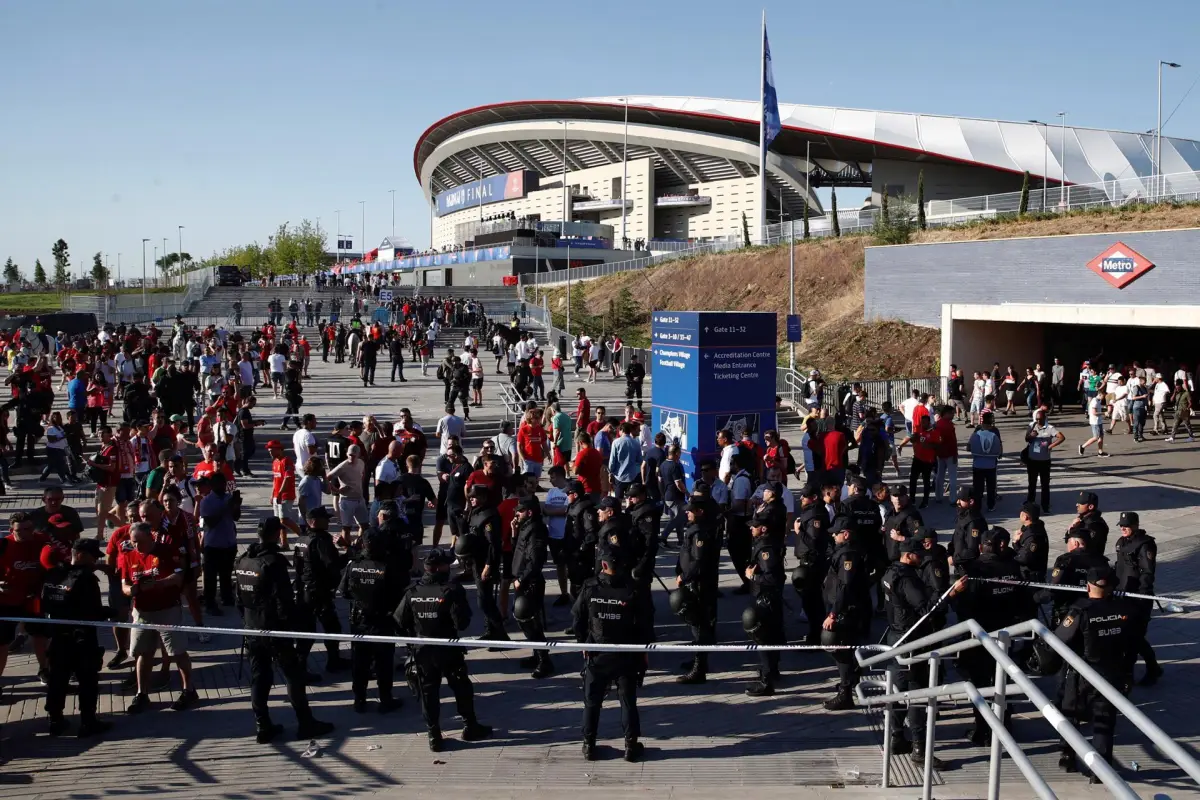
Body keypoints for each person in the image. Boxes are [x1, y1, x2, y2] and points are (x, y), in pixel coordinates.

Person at [235, 517, 334, 743]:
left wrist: (249, 621)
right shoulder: (273, 562)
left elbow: (238, 599)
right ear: (276, 534)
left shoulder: (243, 560)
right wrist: (292, 625)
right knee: (293, 675)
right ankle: (305, 723)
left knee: (260, 678)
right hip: (274, 630)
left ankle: (263, 725)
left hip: (252, 628)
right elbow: (284, 601)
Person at [394, 547, 493, 752]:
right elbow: (462, 623)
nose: (450, 567)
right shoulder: (452, 590)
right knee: (461, 687)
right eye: (447, 564)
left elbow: (399, 621)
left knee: (428, 692)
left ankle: (434, 735)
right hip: (448, 648)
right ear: (439, 568)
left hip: (422, 650)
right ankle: (470, 726)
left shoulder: (412, 592)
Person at [1040, 566, 1132, 781]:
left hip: (1080, 674)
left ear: (1088, 585)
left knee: (1070, 713)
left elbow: (1059, 638)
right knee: (1104, 721)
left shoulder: (1080, 610)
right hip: (1112, 673)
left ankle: (1068, 755)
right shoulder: (1124, 608)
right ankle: (1100, 771)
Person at [881, 538, 964, 766]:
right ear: (908, 555)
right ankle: (919, 748)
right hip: (912, 641)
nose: (921, 558)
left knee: (897, 690)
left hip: (896, 636)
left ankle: (896, 737)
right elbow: (927, 610)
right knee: (917, 693)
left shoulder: (890, 573)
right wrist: (951, 593)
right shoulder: (907, 579)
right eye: (918, 554)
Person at [571, 531, 651, 762]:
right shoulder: (633, 588)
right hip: (626, 655)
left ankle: (589, 744)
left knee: (592, 702)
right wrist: (643, 651)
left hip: (597, 654)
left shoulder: (590, 587)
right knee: (627, 701)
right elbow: (645, 623)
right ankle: (630, 745)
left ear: (603, 564)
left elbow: (576, 618)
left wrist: (583, 643)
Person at [119, 521, 199, 714]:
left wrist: (157, 584)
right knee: (143, 653)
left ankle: (188, 690)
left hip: (167, 609)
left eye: (140, 541)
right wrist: (132, 590)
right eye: (133, 541)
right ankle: (141, 693)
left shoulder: (167, 551)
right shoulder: (129, 555)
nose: (136, 545)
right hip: (142, 611)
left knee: (177, 651)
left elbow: (178, 578)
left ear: (150, 537)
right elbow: (124, 585)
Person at [40, 537, 111, 737]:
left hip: (57, 637)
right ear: (79, 554)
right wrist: (111, 612)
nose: (94, 562)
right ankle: (88, 722)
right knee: (87, 680)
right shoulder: (86, 578)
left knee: (57, 680)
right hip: (82, 639)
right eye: (91, 557)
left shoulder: (53, 574)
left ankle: (55, 720)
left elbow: (45, 605)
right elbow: (93, 611)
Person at [339, 530, 405, 713]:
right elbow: (399, 594)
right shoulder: (388, 566)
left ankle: (359, 699)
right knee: (384, 662)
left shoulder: (354, 564)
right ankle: (385, 699)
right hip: (382, 620)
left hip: (359, 620)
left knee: (360, 662)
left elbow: (343, 592)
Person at [292, 506, 349, 672]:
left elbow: (298, 565)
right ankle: (330, 662)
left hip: (303, 590)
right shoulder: (321, 540)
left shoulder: (302, 539)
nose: (329, 521)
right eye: (325, 518)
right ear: (315, 522)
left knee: (307, 629)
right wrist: (349, 554)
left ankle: (301, 666)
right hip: (319, 591)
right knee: (331, 627)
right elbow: (333, 564)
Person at [673, 500, 720, 685]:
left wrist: (684, 577)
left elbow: (698, 562)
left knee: (700, 626)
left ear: (699, 511)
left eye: (690, 511)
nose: (687, 513)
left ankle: (699, 669)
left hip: (700, 586)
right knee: (695, 625)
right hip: (693, 584)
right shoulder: (695, 528)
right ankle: (698, 661)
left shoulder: (700, 532)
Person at [1113, 511, 1161, 686]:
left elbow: (1147, 573)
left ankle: (1148, 670)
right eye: (1122, 526)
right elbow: (1119, 568)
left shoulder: (1145, 545)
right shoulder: (1121, 543)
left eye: (1127, 526)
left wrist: (1141, 596)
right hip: (1121, 596)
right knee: (1127, 636)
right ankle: (1131, 671)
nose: (1123, 529)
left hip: (1137, 598)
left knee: (1135, 637)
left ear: (1135, 526)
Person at [742, 510, 786, 696]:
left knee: (764, 638)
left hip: (766, 598)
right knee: (772, 636)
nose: (751, 528)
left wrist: (754, 576)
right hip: (770, 598)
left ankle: (767, 681)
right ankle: (772, 670)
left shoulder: (766, 548)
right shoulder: (767, 542)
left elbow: (773, 577)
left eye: (755, 526)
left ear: (764, 528)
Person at [510, 495, 554, 678]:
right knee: (525, 622)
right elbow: (519, 550)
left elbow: (535, 561)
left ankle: (545, 660)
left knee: (530, 622)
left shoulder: (536, 529)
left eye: (520, 511)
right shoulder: (525, 527)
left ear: (529, 512)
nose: (517, 514)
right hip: (522, 580)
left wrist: (522, 578)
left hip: (530, 583)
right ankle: (537, 654)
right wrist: (514, 531)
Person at [459, 485, 508, 641]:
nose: (472, 499)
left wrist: (489, 566)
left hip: (485, 563)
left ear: (484, 498)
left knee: (484, 601)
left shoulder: (489, 516)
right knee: (485, 598)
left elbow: (494, 544)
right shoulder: (475, 512)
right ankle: (490, 630)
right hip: (476, 560)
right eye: (471, 497)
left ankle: (500, 633)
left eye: (475, 497)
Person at [1024, 408, 1064, 513]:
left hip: (1044, 461)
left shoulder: (1050, 428)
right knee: (1031, 483)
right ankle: (1030, 503)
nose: (1038, 422)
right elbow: (1026, 439)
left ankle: (1045, 505)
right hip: (1032, 460)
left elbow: (1061, 437)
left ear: (1044, 418)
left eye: (1040, 419)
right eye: (1037, 419)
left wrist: (1051, 446)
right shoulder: (1032, 426)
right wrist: (1031, 435)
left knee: (1045, 484)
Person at [966, 411, 1002, 511]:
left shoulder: (977, 431)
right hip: (991, 464)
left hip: (977, 464)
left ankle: (977, 506)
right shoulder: (995, 431)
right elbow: (999, 448)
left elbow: (969, 447)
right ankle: (991, 505)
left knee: (977, 487)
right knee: (991, 486)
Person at [1078, 391, 1110, 458]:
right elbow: (1094, 413)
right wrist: (1104, 413)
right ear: (1100, 394)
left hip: (1099, 421)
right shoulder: (1094, 401)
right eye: (1103, 396)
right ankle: (1082, 446)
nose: (1104, 398)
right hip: (1095, 422)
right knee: (1096, 437)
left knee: (1101, 436)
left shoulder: (1098, 400)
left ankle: (1100, 452)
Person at [1164, 378, 1194, 442]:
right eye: (1176, 387)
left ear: (1181, 386)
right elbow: (1171, 400)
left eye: (1178, 387)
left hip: (1184, 412)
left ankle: (1191, 437)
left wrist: (1187, 408)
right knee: (1175, 425)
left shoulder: (1186, 393)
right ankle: (1172, 437)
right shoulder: (1177, 394)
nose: (1177, 388)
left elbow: (1190, 403)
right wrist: (1174, 393)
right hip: (1177, 412)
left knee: (1187, 425)